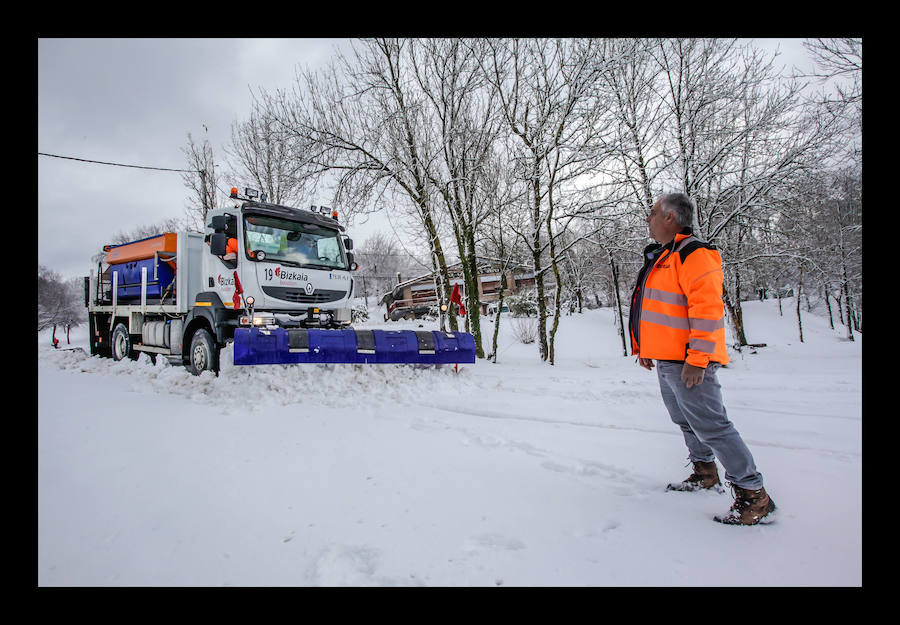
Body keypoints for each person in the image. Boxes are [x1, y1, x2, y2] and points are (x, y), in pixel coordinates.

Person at [628, 193, 776, 526]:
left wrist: (699, 357)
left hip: (688, 362)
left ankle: (754, 496)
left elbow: (707, 310)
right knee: (686, 420)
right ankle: (705, 472)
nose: (647, 219)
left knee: (713, 426)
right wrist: (647, 348)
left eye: (652, 213)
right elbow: (662, 309)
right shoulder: (665, 256)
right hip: (668, 359)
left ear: (670, 217)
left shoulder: (695, 254)